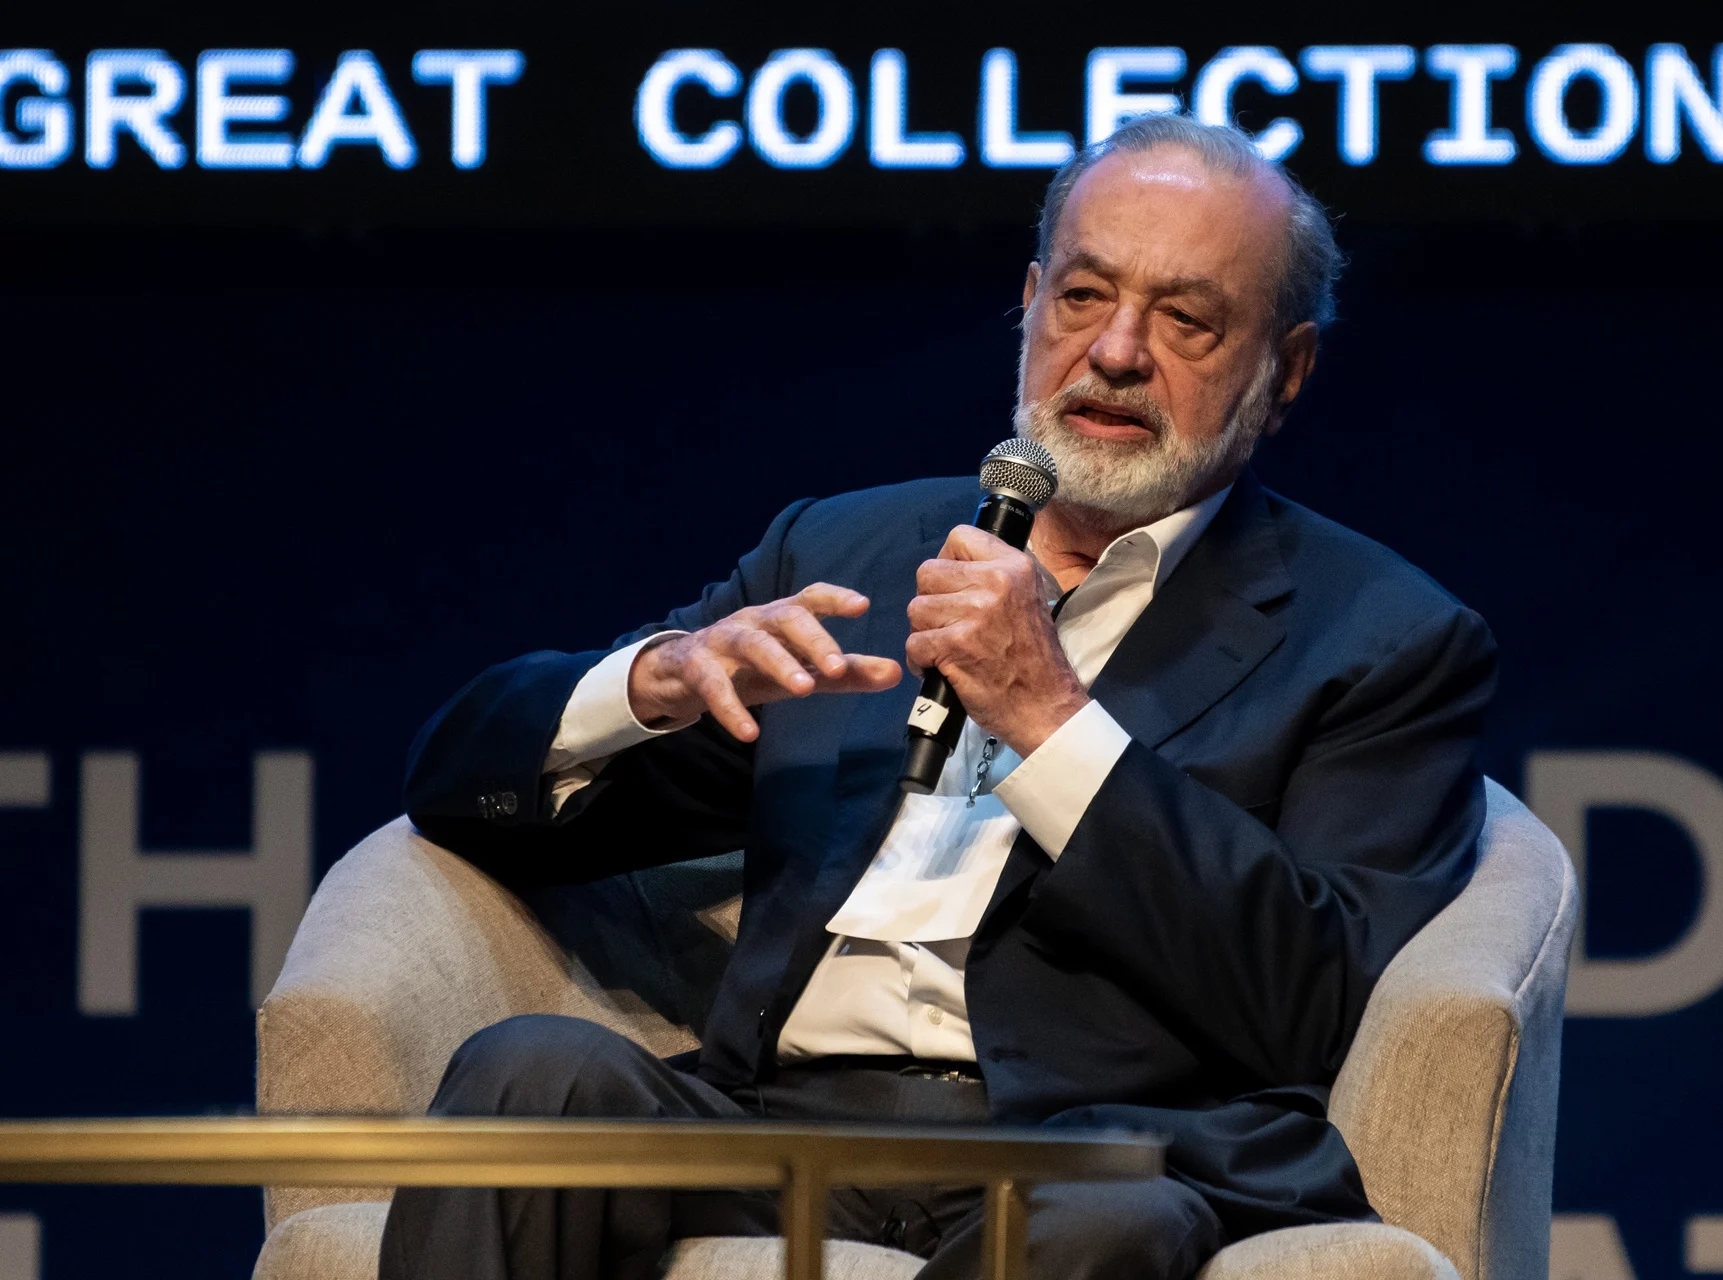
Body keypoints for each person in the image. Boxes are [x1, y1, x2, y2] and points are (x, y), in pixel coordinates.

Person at [382, 114, 1497, 1280]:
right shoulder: (845, 548)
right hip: (773, 1124)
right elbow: (457, 790)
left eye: (1185, 320)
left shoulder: (1382, 639)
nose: (1116, 351)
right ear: (1029, 301)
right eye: (1083, 296)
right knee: (532, 1074)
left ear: (1288, 368)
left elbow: (1309, 1001)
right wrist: (649, 682)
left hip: (1081, 1154)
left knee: (1106, 1217)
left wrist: (1051, 718)